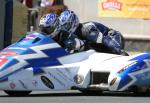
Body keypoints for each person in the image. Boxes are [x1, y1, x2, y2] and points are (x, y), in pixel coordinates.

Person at [52, 10, 128, 55]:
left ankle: (122, 55)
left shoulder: (86, 29)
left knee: (99, 42)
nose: (64, 29)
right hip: (100, 46)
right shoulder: (69, 35)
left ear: (73, 22)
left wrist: (119, 51)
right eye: (62, 26)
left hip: (113, 37)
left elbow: (105, 40)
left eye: (66, 25)